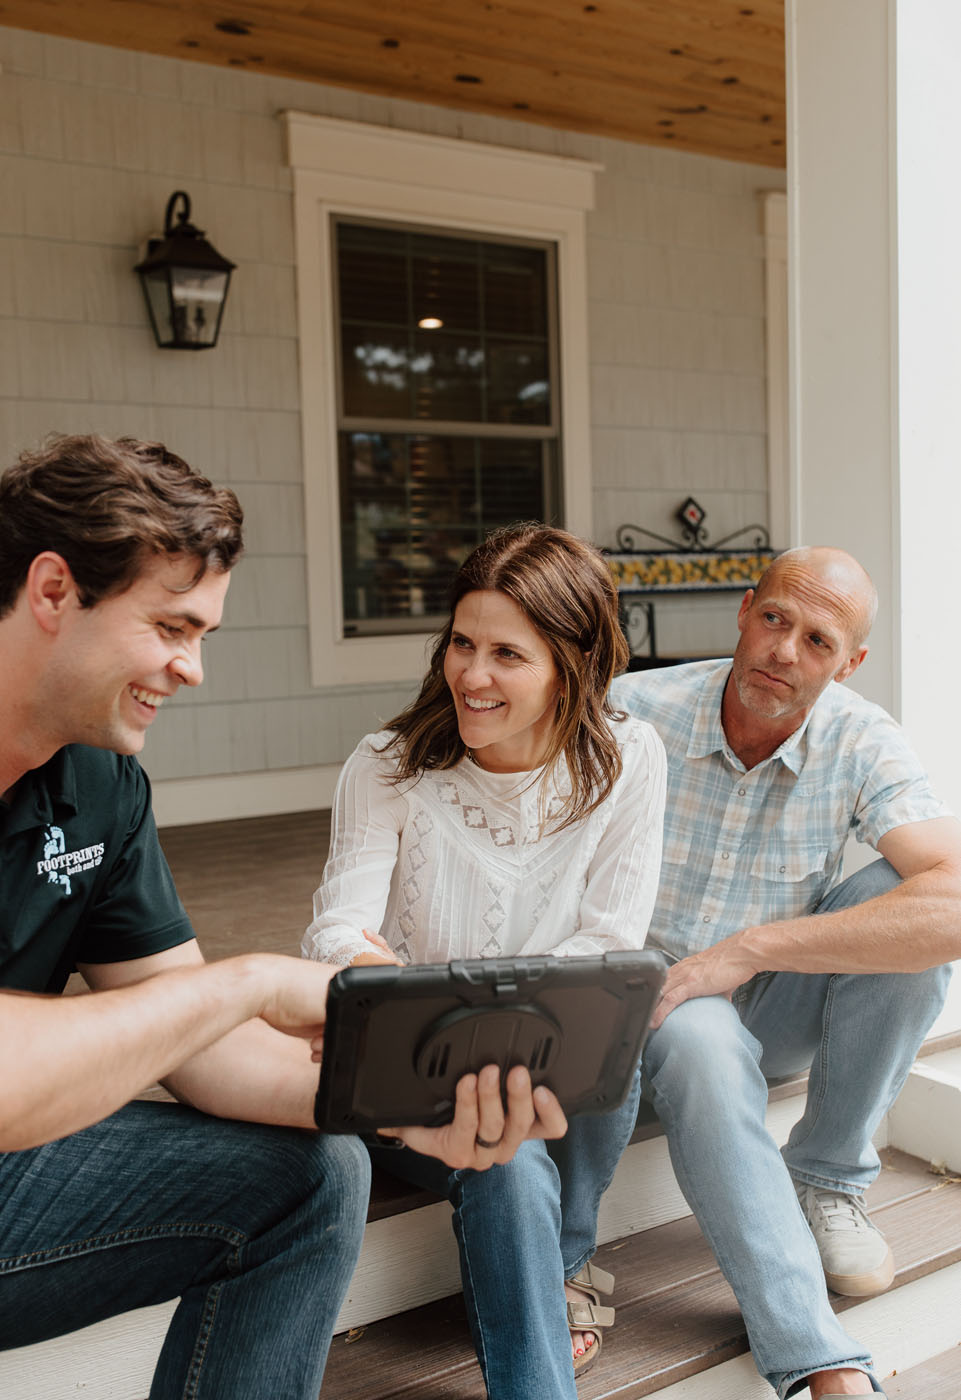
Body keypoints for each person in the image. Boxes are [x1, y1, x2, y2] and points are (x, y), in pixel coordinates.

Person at [0, 436, 567, 1400]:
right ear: (54, 591)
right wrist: (256, 981)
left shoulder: (100, 782)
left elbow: (200, 1048)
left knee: (315, 1173)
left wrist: (412, 1105)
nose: (192, 669)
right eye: (172, 627)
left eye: (204, 637)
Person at [304, 523, 667, 1399]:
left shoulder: (627, 759)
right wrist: (375, 967)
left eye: (507, 653)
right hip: (411, 1080)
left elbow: (613, 937)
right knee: (501, 1156)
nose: (471, 675)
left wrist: (503, 1016)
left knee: (628, 1024)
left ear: (569, 665)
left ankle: (559, 1259)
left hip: (545, 1070)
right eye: (462, 644)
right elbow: (333, 931)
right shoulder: (388, 766)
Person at [610, 546, 961, 1400]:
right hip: (635, 1017)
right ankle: (817, 1363)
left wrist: (751, 951)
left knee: (903, 904)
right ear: (743, 610)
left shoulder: (857, 735)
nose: (783, 652)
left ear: (848, 663)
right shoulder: (632, 709)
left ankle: (827, 1181)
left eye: (816, 639)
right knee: (695, 1022)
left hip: (760, 1013)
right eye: (773, 619)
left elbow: (953, 901)